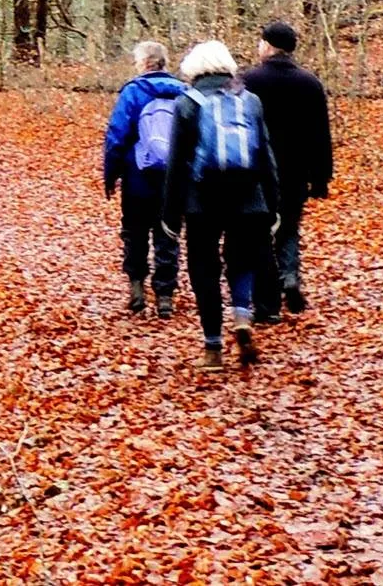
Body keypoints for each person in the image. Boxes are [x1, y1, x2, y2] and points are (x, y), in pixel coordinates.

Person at [162, 40, 281, 370]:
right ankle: (241, 316)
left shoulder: (187, 103)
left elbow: (176, 163)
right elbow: (265, 155)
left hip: (202, 201)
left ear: (194, 68)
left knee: (204, 269)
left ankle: (213, 348)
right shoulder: (250, 101)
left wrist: (170, 214)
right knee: (242, 261)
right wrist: (273, 204)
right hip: (249, 197)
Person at [240, 20, 332, 321]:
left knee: (259, 231)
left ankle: (266, 293)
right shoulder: (310, 83)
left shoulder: (249, 81)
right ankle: (289, 275)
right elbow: (320, 134)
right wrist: (321, 177)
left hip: (257, 169)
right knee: (289, 226)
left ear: (268, 45)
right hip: (296, 170)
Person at [102, 41, 186, 318]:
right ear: (164, 62)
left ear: (144, 63)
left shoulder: (134, 92)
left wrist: (111, 174)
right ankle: (165, 296)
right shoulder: (184, 92)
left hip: (138, 176)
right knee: (168, 233)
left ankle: (137, 287)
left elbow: (117, 135)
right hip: (173, 178)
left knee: (135, 231)